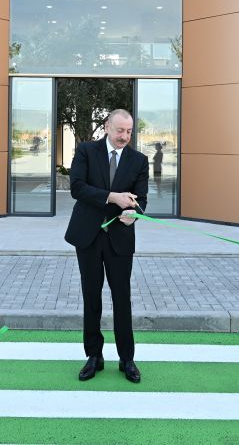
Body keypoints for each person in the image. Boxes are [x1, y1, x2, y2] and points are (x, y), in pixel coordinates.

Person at [65, 109, 148, 383]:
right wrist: (113, 197)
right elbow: (77, 188)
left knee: (122, 298)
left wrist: (133, 214)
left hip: (120, 239)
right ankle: (94, 356)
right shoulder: (86, 151)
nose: (124, 136)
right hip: (87, 236)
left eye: (129, 131)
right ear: (107, 126)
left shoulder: (139, 160)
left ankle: (127, 359)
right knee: (91, 297)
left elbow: (141, 200)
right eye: (120, 130)